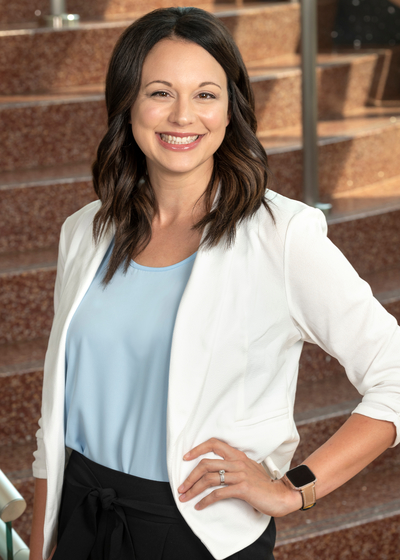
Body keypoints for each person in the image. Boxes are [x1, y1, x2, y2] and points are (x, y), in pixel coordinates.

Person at [29, 6, 400, 560]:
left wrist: (294, 489)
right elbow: (53, 416)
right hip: (82, 516)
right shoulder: (85, 230)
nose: (183, 116)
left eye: (205, 94)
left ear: (231, 110)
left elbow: (393, 374)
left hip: (198, 535)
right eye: (160, 92)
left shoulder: (282, 235)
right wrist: (40, 546)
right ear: (128, 103)